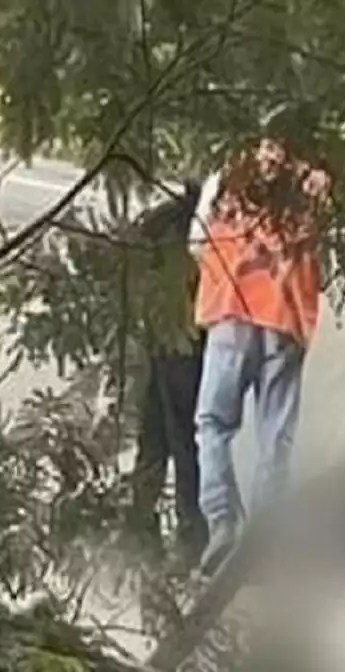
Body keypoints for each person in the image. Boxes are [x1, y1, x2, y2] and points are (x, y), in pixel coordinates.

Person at [187, 109, 332, 573]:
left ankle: (223, 523)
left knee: (212, 424)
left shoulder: (224, 180)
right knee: (276, 436)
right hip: (285, 324)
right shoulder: (312, 188)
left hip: (231, 316)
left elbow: (196, 242)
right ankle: (261, 542)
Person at [131, 180, 209, 568]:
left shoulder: (166, 220)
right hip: (185, 346)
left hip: (167, 342)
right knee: (182, 442)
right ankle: (188, 538)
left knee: (158, 441)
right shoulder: (203, 226)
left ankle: (146, 536)